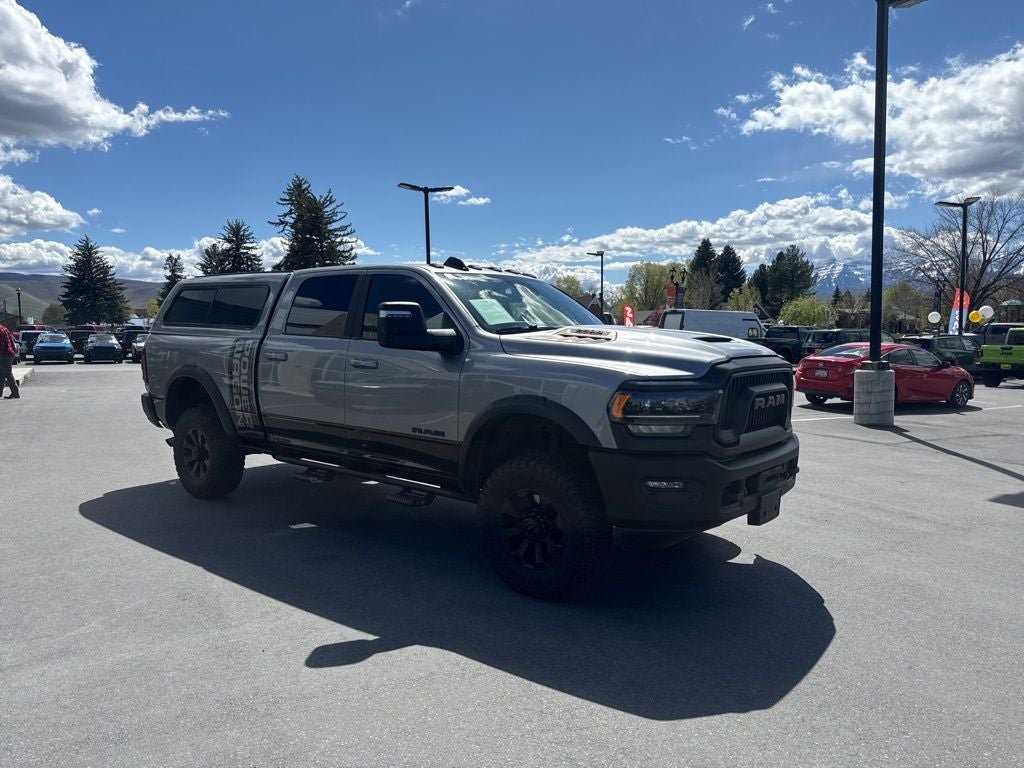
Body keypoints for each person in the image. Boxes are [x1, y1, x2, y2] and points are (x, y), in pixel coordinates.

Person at [0, 323, 20, 399]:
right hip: (9, 354)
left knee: (8, 374)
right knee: (1, 374)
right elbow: (12, 341)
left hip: (4, 355)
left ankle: (15, 393)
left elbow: (1, 346)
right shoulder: (4, 328)